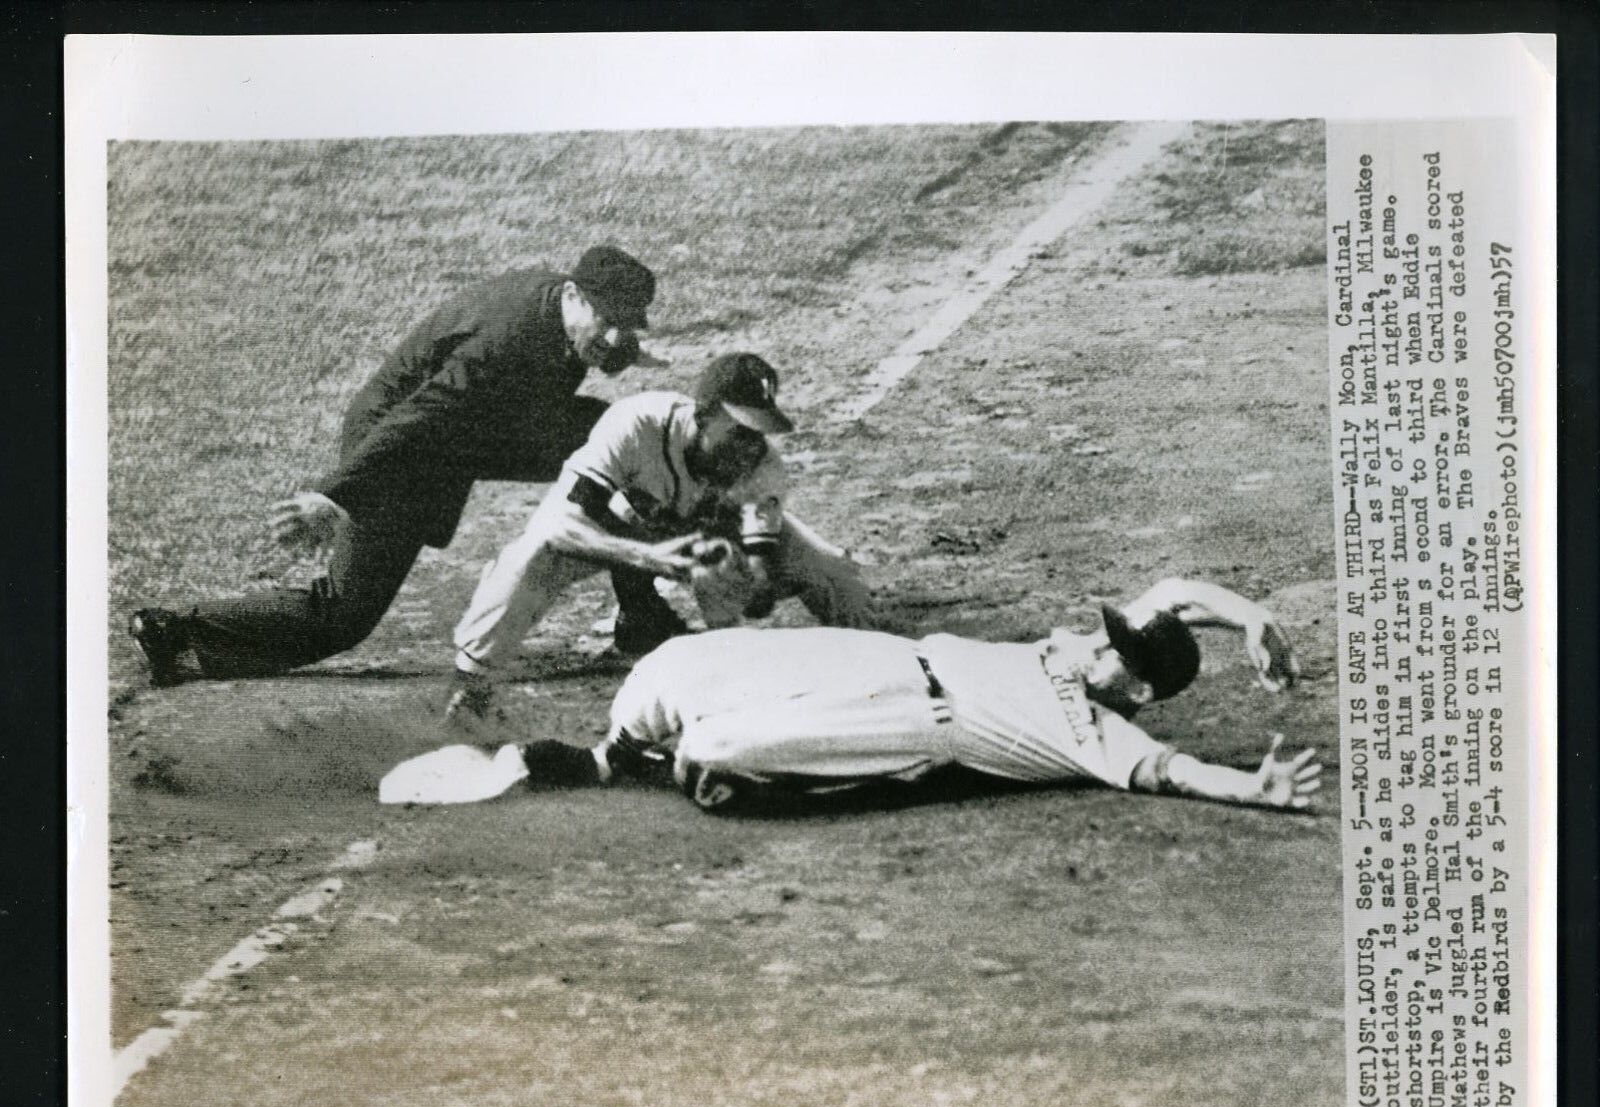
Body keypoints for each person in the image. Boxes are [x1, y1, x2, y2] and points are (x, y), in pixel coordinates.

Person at [127, 244, 681, 686]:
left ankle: (641, 615)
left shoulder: (560, 315)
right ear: (572, 295)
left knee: (613, 444)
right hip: (401, 450)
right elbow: (420, 416)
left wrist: (625, 349)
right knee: (342, 616)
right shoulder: (504, 343)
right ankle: (177, 631)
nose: (615, 336)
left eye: (628, 325)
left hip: (468, 435)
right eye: (608, 320)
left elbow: (587, 356)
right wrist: (336, 494)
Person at [382, 576, 1321, 815]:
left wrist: (1253, 788)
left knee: (717, 752)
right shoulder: (1086, 652)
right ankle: (598, 759)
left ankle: (715, 776)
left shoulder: (1093, 733)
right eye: (1104, 632)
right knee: (673, 670)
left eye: (1113, 651)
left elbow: (1174, 769)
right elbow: (1177, 597)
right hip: (878, 654)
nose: (1092, 642)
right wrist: (1249, 617)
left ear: (1137, 688)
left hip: (903, 725)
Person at [444, 351, 873, 728]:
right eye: (739, 429)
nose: (750, 446)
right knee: (532, 555)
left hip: (698, 534)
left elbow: (753, 576)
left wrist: (751, 584)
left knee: (832, 572)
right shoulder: (638, 424)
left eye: (759, 431)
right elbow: (559, 524)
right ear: (702, 415)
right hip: (621, 527)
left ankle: (881, 669)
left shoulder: (763, 468)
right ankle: (472, 689)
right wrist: (646, 555)